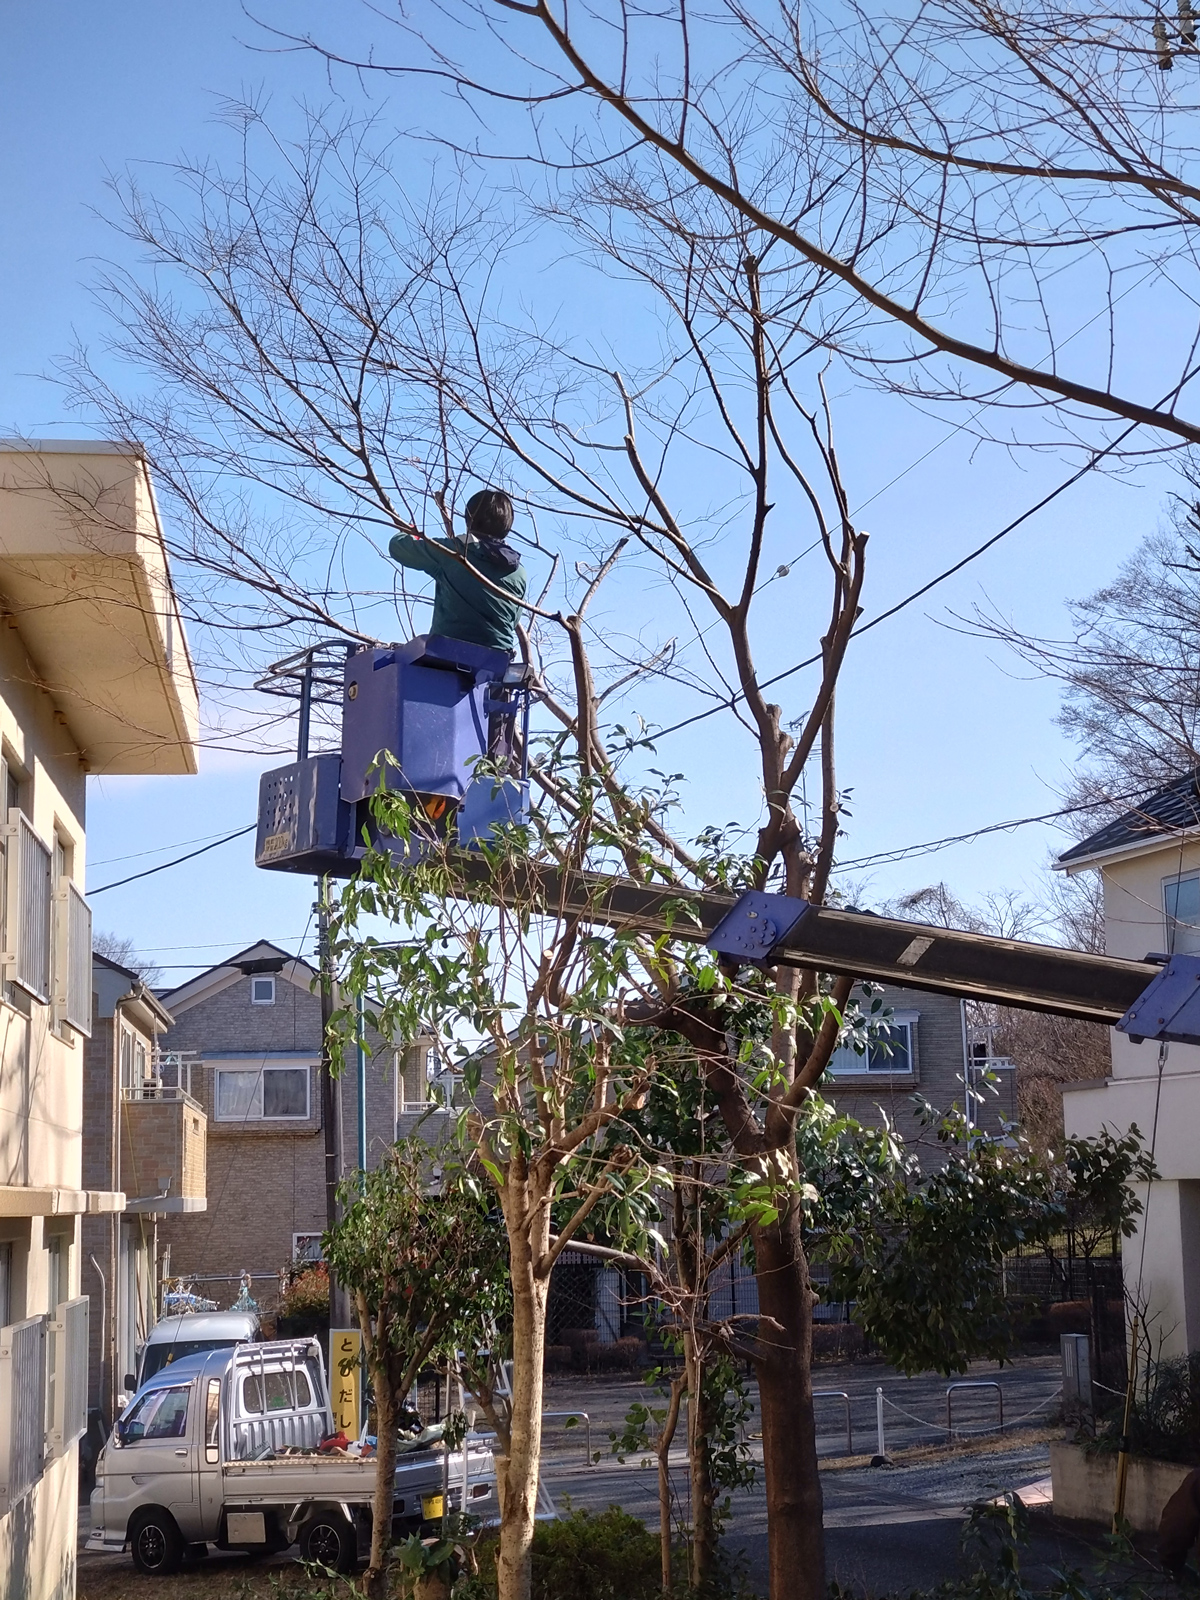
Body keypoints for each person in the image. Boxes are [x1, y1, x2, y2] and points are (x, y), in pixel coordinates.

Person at [388, 489, 527, 655]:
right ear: (507, 526)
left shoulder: (452, 552)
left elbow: (398, 547)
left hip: (448, 656)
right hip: (497, 661)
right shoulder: (518, 572)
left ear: (469, 519)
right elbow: (513, 620)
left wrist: (409, 533)